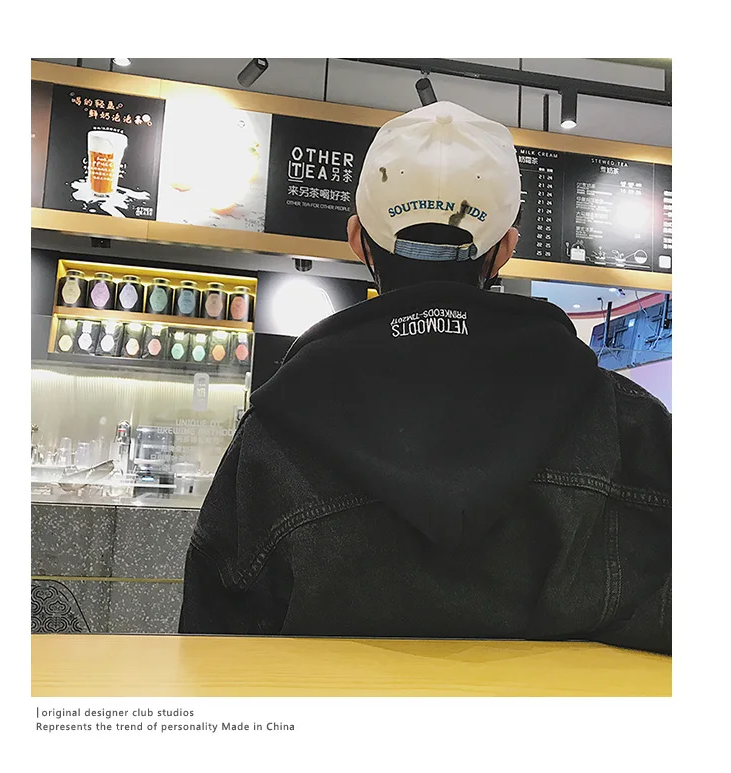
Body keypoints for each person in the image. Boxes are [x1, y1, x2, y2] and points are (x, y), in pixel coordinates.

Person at [179, 101, 671, 655]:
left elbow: (210, 655)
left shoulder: (274, 435)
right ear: (505, 250)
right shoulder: (630, 426)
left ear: (359, 241)